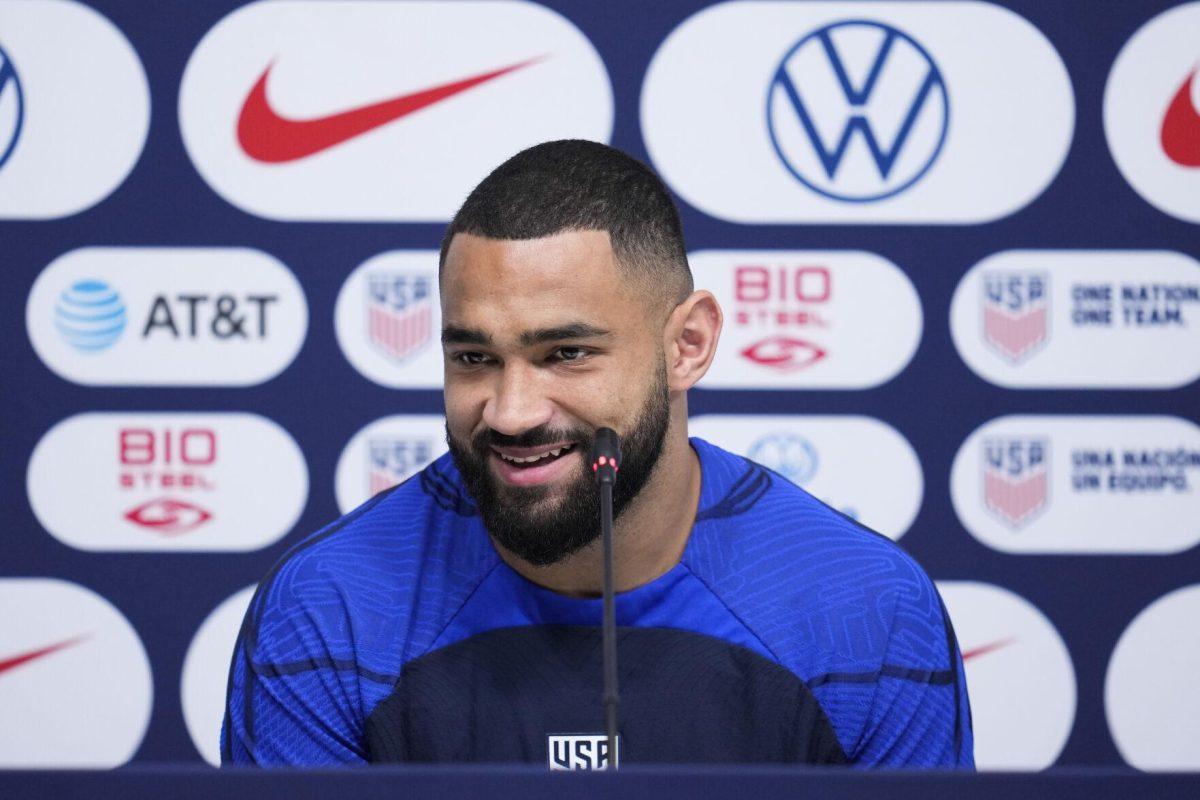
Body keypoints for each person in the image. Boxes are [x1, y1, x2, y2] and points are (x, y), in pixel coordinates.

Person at [221, 140, 973, 768]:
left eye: (567, 353)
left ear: (688, 345)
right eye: (475, 359)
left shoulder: (866, 607)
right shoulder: (328, 604)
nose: (512, 413)